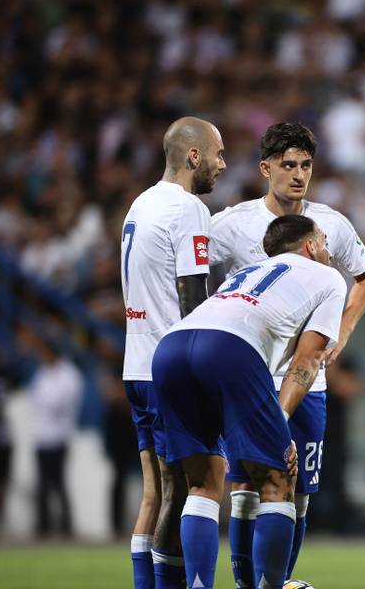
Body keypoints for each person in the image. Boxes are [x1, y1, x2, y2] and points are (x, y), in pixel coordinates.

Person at [207, 122, 365, 585]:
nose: (298, 174)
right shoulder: (232, 224)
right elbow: (192, 266)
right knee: (245, 486)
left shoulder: (331, 226)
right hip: (252, 377)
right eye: (288, 165)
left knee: (298, 491)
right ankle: (252, 584)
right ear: (266, 168)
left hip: (310, 381)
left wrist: (341, 333)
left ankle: (277, 580)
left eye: (305, 165)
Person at [152, 215, 347, 589]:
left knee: (203, 484)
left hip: (173, 348)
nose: (328, 249)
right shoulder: (329, 278)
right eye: (323, 240)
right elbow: (306, 361)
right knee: (277, 479)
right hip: (230, 347)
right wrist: (281, 420)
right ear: (309, 246)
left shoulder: (251, 270)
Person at [120, 117, 226, 589]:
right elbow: (192, 299)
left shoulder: (140, 204)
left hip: (135, 363)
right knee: (188, 491)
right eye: (218, 154)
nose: (223, 164)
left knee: (154, 494)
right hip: (171, 367)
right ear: (194, 156)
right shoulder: (188, 210)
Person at [24, 332, 83, 537]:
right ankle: (43, 526)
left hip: (59, 436)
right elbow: (36, 398)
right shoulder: (43, 372)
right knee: (42, 484)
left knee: (58, 483)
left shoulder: (68, 374)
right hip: (42, 436)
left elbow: (57, 402)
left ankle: (66, 526)